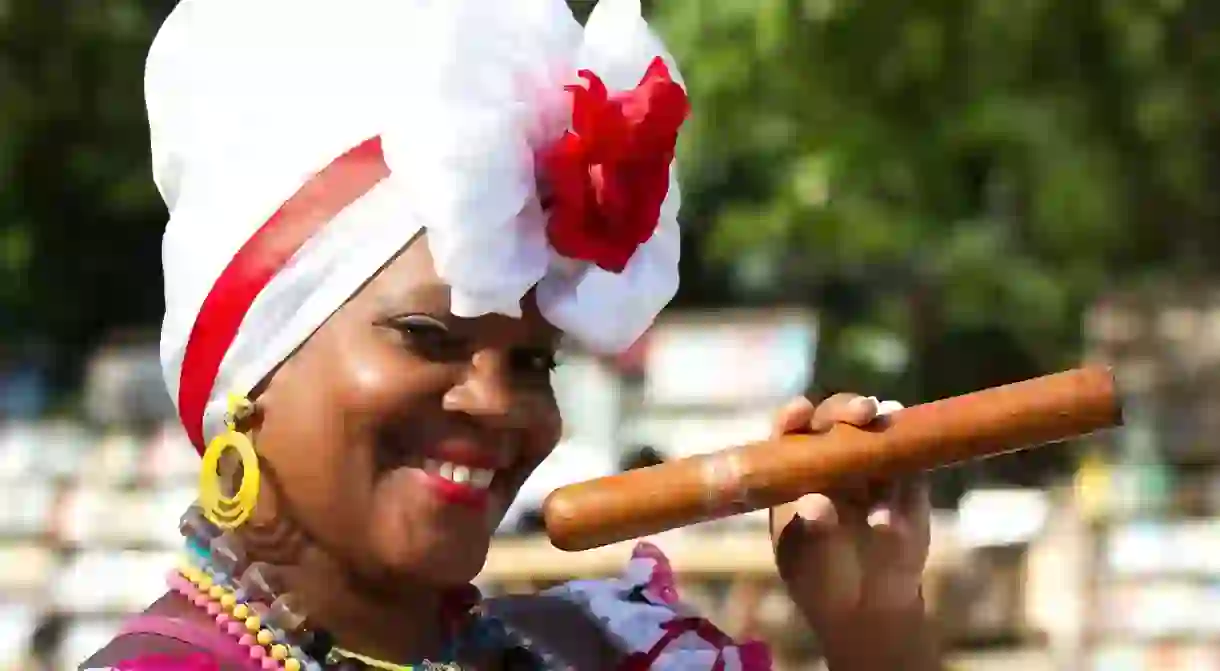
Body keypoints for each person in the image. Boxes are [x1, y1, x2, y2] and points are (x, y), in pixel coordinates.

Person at [81, 0, 939, 668]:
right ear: (247, 375)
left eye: (532, 360)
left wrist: (877, 623)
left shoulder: (593, 651)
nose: (497, 402)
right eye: (427, 335)